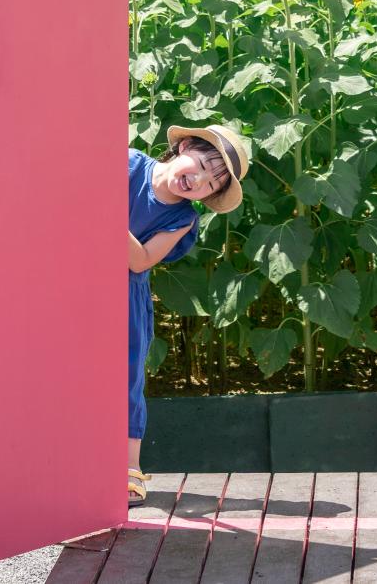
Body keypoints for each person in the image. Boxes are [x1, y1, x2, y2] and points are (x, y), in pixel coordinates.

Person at [127, 122, 251, 505]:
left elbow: (141, 260)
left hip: (121, 295)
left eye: (211, 184)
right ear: (183, 146)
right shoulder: (128, 164)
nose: (198, 179)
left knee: (125, 376)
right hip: (72, 280)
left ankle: (128, 470)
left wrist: (103, 212)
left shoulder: (181, 219)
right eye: (201, 163)